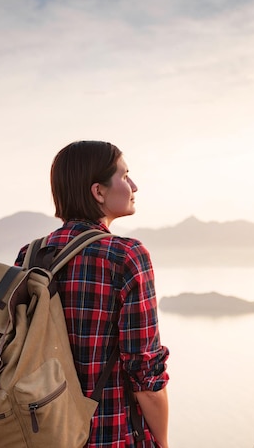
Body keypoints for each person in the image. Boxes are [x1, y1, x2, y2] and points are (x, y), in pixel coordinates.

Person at [15, 140, 170, 448]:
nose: (134, 186)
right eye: (125, 176)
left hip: (44, 435)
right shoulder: (127, 255)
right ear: (98, 191)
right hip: (111, 437)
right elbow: (146, 376)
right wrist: (163, 443)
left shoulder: (30, 255)